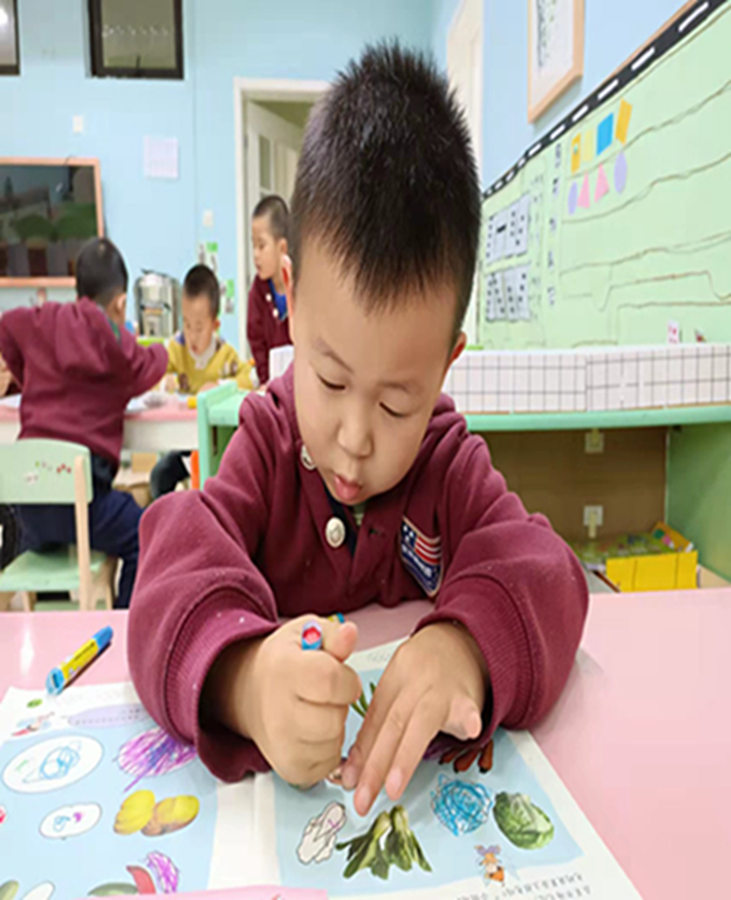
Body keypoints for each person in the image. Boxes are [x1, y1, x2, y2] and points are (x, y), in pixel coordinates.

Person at [128, 44, 587, 815]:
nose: (354, 438)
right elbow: (169, 570)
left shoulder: (444, 462)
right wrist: (243, 680)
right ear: (291, 302)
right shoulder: (268, 443)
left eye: (397, 403)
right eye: (331, 380)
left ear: (444, 367)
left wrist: (463, 647)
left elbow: (548, 572)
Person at [0, 237, 167, 608]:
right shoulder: (115, 343)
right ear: (120, 303)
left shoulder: (42, 319)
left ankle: (50, 622)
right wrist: (159, 349)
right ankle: (124, 623)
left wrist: (29, 379)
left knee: (46, 535)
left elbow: (6, 326)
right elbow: (151, 364)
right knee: (144, 535)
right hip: (84, 504)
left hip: (30, 508)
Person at [151, 264, 253, 498]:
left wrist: (219, 388)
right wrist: (165, 382)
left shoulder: (224, 355)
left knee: (216, 486)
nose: (191, 335)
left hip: (216, 446)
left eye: (198, 327)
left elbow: (248, 378)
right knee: (159, 476)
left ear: (215, 325)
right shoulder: (176, 349)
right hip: (184, 443)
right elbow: (152, 375)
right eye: (186, 324)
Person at [246, 194, 291, 385]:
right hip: (270, 385)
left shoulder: (300, 287)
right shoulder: (258, 291)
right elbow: (256, 340)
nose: (255, 254)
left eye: (261, 245)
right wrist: (266, 382)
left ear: (282, 248)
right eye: (253, 245)